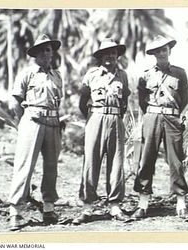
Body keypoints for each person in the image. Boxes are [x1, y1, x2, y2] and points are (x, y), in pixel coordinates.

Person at [132, 35, 188, 221]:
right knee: (146, 158)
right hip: (152, 116)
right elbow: (142, 100)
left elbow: (184, 97)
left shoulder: (180, 73)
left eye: (164, 49)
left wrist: (172, 113)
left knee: (176, 160)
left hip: (172, 117)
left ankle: (181, 204)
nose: (161, 53)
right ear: (153, 54)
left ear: (169, 51)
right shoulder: (146, 75)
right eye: (157, 51)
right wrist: (153, 114)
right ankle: (142, 204)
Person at [73, 38, 131, 224]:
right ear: (100, 56)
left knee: (116, 163)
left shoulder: (122, 76)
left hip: (116, 120)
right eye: (106, 53)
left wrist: (116, 117)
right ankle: (87, 207)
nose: (110, 55)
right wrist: (92, 118)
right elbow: (82, 102)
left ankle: (115, 205)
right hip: (96, 118)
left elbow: (125, 102)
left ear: (117, 55)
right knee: (91, 162)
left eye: (113, 52)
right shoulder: (92, 74)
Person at [8, 34, 63, 230]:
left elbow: (58, 101)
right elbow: (16, 102)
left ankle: (48, 209)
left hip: (53, 123)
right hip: (32, 121)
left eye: (49, 49)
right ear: (36, 54)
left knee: (51, 168)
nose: (46, 53)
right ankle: (15, 211)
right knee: (25, 166)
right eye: (42, 50)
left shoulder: (57, 75)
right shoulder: (27, 73)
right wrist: (27, 120)